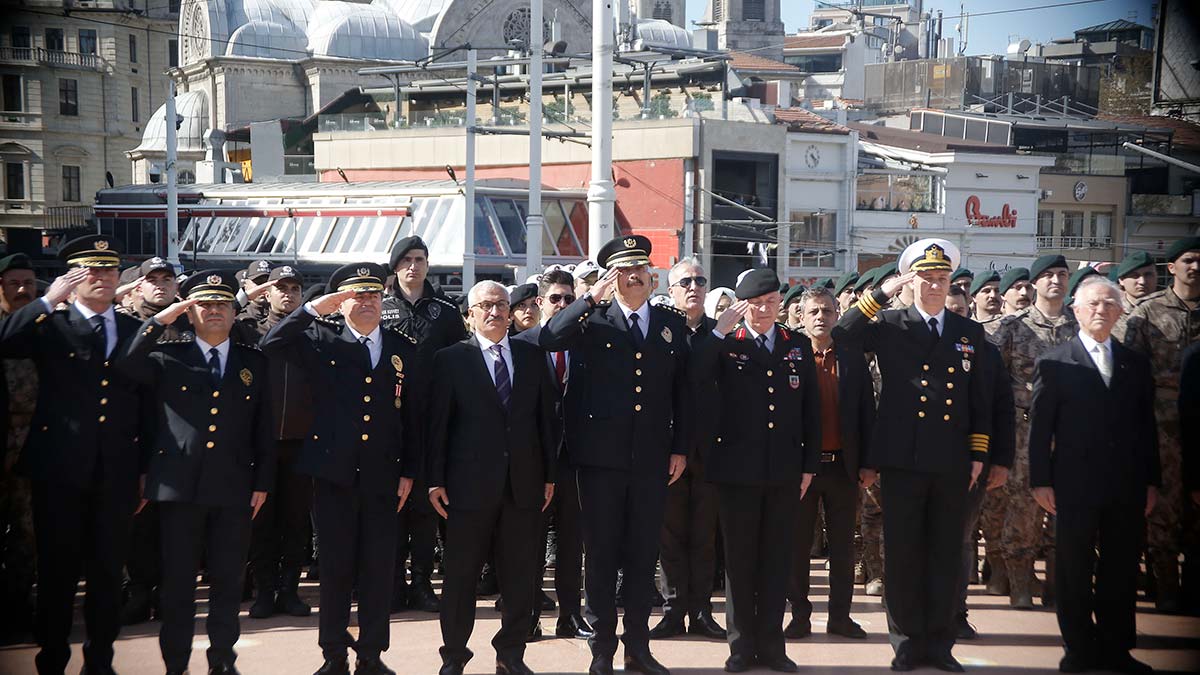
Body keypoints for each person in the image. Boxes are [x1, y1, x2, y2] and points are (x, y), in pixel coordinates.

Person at [834, 238, 992, 673]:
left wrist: (979, 451)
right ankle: (905, 642)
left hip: (951, 459)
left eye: (942, 278)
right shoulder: (890, 323)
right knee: (902, 555)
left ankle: (939, 644)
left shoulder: (968, 332)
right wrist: (882, 292)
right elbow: (843, 333)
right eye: (926, 278)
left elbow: (980, 397)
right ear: (911, 282)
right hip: (903, 457)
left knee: (944, 554)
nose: (935, 286)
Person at [262, 263, 424, 675]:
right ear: (341, 302)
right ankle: (334, 654)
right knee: (335, 569)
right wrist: (313, 309)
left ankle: (371, 654)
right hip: (333, 473)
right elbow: (271, 343)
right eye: (358, 295)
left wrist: (409, 470)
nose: (367, 301)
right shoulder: (321, 338)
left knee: (378, 570)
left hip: (384, 475)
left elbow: (412, 416)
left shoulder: (402, 347)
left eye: (374, 295)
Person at [539, 235, 690, 675]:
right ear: (612, 277)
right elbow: (549, 337)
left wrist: (680, 447)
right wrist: (589, 298)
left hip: (651, 459)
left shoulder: (669, 323)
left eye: (640, 268)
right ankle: (602, 650)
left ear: (652, 275)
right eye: (624, 270)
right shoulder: (592, 319)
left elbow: (683, 392)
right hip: (600, 460)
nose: (634, 276)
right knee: (602, 556)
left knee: (643, 556)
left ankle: (637, 648)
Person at [116, 270, 274, 675]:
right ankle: (176, 664)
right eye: (204, 304)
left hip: (233, 487)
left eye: (222, 304)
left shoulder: (253, 361)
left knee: (228, 582)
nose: (214, 311)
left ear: (235, 312)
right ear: (189, 312)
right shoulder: (167, 356)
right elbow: (124, 366)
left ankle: (222, 660)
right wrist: (159, 321)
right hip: (179, 488)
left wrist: (262, 482)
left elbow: (264, 427)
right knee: (178, 584)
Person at [0, 235, 144, 674]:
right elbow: (6, 339)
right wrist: (47, 300)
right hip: (59, 471)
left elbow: (147, 404)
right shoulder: (50, 324)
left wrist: (144, 469)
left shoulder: (133, 329)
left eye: (109, 270)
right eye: (90, 271)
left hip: (115, 472)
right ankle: (52, 660)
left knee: (107, 574)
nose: (102, 278)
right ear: (71, 278)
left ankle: (100, 661)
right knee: (58, 575)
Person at [1029, 277, 1159, 675]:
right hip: (1073, 484)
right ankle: (1079, 649)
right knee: (1074, 568)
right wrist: (1040, 480)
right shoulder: (1055, 362)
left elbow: (1147, 427)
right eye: (1093, 304)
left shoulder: (1135, 363)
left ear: (1120, 312)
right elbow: (1040, 429)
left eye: (1109, 304)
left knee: (1121, 567)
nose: (1101, 310)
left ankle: (1117, 649)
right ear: (1077, 310)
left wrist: (1151, 481)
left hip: (1126, 485)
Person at [429, 280, 558, 675]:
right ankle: (454, 656)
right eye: (485, 305)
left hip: (523, 485)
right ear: (470, 314)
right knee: (460, 578)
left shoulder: (531, 356)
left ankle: (511, 654)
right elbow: (438, 426)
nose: (495, 311)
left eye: (501, 304)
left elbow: (546, 420)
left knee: (520, 578)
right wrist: (434, 479)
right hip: (467, 488)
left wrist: (549, 475)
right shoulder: (451, 359)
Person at [694, 269, 818, 673]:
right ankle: (741, 647)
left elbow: (811, 410)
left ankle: (773, 647)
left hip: (784, 468)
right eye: (756, 304)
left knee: (777, 561)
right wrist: (717, 331)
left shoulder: (796, 344)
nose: (764, 310)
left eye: (770, 302)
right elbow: (694, 375)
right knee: (741, 562)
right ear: (742, 306)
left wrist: (809, 465)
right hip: (738, 470)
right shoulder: (727, 343)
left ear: (780, 303)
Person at [785, 286, 875, 642]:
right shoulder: (791, 354)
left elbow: (867, 412)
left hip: (843, 466)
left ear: (837, 315)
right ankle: (799, 616)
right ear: (801, 316)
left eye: (826, 311)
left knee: (842, 547)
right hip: (801, 469)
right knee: (797, 547)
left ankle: (840, 617)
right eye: (813, 311)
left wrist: (868, 463)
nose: (820, 317)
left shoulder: (851, 356)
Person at [381, 235, 465, 614]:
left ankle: (421, 583)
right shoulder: (380, 307)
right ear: (395, 266)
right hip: (390, 420)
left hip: (433, 419)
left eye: (420, 259)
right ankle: (393, 583)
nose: (413, 266)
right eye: (406, 260)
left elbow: (462, 360)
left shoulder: (444, 311)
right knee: (393, 504)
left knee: (426, 506)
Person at [990, 254, 1078, 610]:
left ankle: (1057, 584)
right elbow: (994, 384)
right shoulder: (1014, 327)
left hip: (1071, 432)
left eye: (1062, 274)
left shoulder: (1079, 324)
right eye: (1048, 275)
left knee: (1067, 507)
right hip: (1024, 430)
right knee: (1022, 507)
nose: (1056, 281)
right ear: (1035, 283)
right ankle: (1020, 583)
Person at [1121, 237, 1200, 613]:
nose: (1195, 267)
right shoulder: (1148, 312)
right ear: (1172, 268)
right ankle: (1165, 587)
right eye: (1188, 260)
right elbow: (1130, 374)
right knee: (1162, 508)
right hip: (1160, 425)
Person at [513, 269, 593, 640]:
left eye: (569, 299)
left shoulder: (586, 341)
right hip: (533, 459)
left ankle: (570, 616)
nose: (562, 305)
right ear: (540, 302)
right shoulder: (523, 343)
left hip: (575, 457)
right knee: (529, 542)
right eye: (555, 299)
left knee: (572, 542)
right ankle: (528, 615)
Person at [650, 257, 725, 641]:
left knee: (704, 536)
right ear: (671, 290)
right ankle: (673, 610)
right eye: (685, 282)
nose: (694, 287)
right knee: (670, 536)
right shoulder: (662, 330)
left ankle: (701, 611)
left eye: (700, 280)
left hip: (710, 450)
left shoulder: (719, 331)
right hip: (669, 449)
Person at [116, 256, 186, 626]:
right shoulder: (127, 324)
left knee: (175, 526)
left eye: (167, 279)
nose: (161, 285)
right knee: (139, 523)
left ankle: (167, 593)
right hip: (138, 435)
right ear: (138, 285)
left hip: (181, 438)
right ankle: (139, 591)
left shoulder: (190, 322)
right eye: (153, 280)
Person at [243, 264, 315, 620]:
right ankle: (264, 590)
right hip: (262, 443)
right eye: (281, 288)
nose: (288, 294)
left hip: (300, 444)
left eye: (295, 289)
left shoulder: (313, 334)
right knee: (261, 522)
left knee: (296, 522)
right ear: (267, 293)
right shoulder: (249, 329)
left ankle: (289, 590)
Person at [949, 291, 1014, 640]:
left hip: (970, 462)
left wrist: (1001, 460)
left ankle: (956, 612)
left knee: (960, 538)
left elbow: (1002, 407)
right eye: (949, 311)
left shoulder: (986, 351)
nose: (955, 316)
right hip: (923, 462)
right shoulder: (918, 346)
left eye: (960, 310)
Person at [0, 252, 38, 637]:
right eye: (14, 283)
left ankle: (19, 603)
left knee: (28, 534)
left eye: (29, 283)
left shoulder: (44, 328)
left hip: (31, 448)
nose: (23, 290)